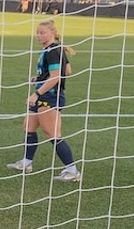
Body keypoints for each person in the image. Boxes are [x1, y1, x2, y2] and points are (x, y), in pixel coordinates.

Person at [7, 19, 81, 182]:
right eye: (37, 33)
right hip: (45, 94)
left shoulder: (53, 51)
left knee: (52, 134)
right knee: (29, 127)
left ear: (52, 33)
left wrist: (37, 93)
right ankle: (26, 163)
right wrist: (40, 77)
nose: (39, 36)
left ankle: (73, 171)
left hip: (50, 96)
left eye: (42, 33)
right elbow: (67, 71)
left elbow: (56, 77)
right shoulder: (53, 49)